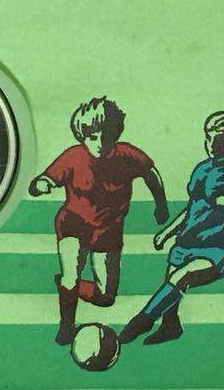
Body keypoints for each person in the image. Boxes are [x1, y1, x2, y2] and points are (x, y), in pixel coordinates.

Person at [120, 110, 224, 346]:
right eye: (209, 137)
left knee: (179, 278)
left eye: (219, 140)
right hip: (186, 242)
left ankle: (138, 324)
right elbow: (194, 206)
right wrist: (168, 231)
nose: (212, 144)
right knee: (171, 286)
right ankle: (170, 327)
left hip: (215, 250)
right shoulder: (202, 169)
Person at [28, 97, 169, 345]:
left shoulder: (127, 155)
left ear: (116, 133)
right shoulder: (73, 157)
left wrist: (161, 204)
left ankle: (67, 286)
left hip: (109, 230)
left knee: (106, 297)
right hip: (74, 224)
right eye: (93, 137)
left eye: (106, 136)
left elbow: (151, 174)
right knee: (71, 275)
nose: (100, 143)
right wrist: (41, 185)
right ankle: (66, 326)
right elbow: (46, 178)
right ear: (82, 136)